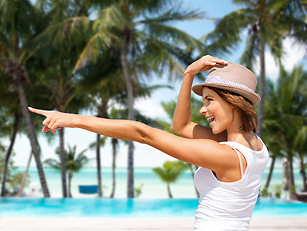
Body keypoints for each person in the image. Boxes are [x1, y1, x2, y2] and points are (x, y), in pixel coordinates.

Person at [29, 55, 269, 230]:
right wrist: (188, 75)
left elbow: (143, 133)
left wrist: (71, 118)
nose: (204, 110)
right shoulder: (257, 146)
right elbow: (182, 127)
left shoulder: (225, 156)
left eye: (209, 100)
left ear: (233, 102)